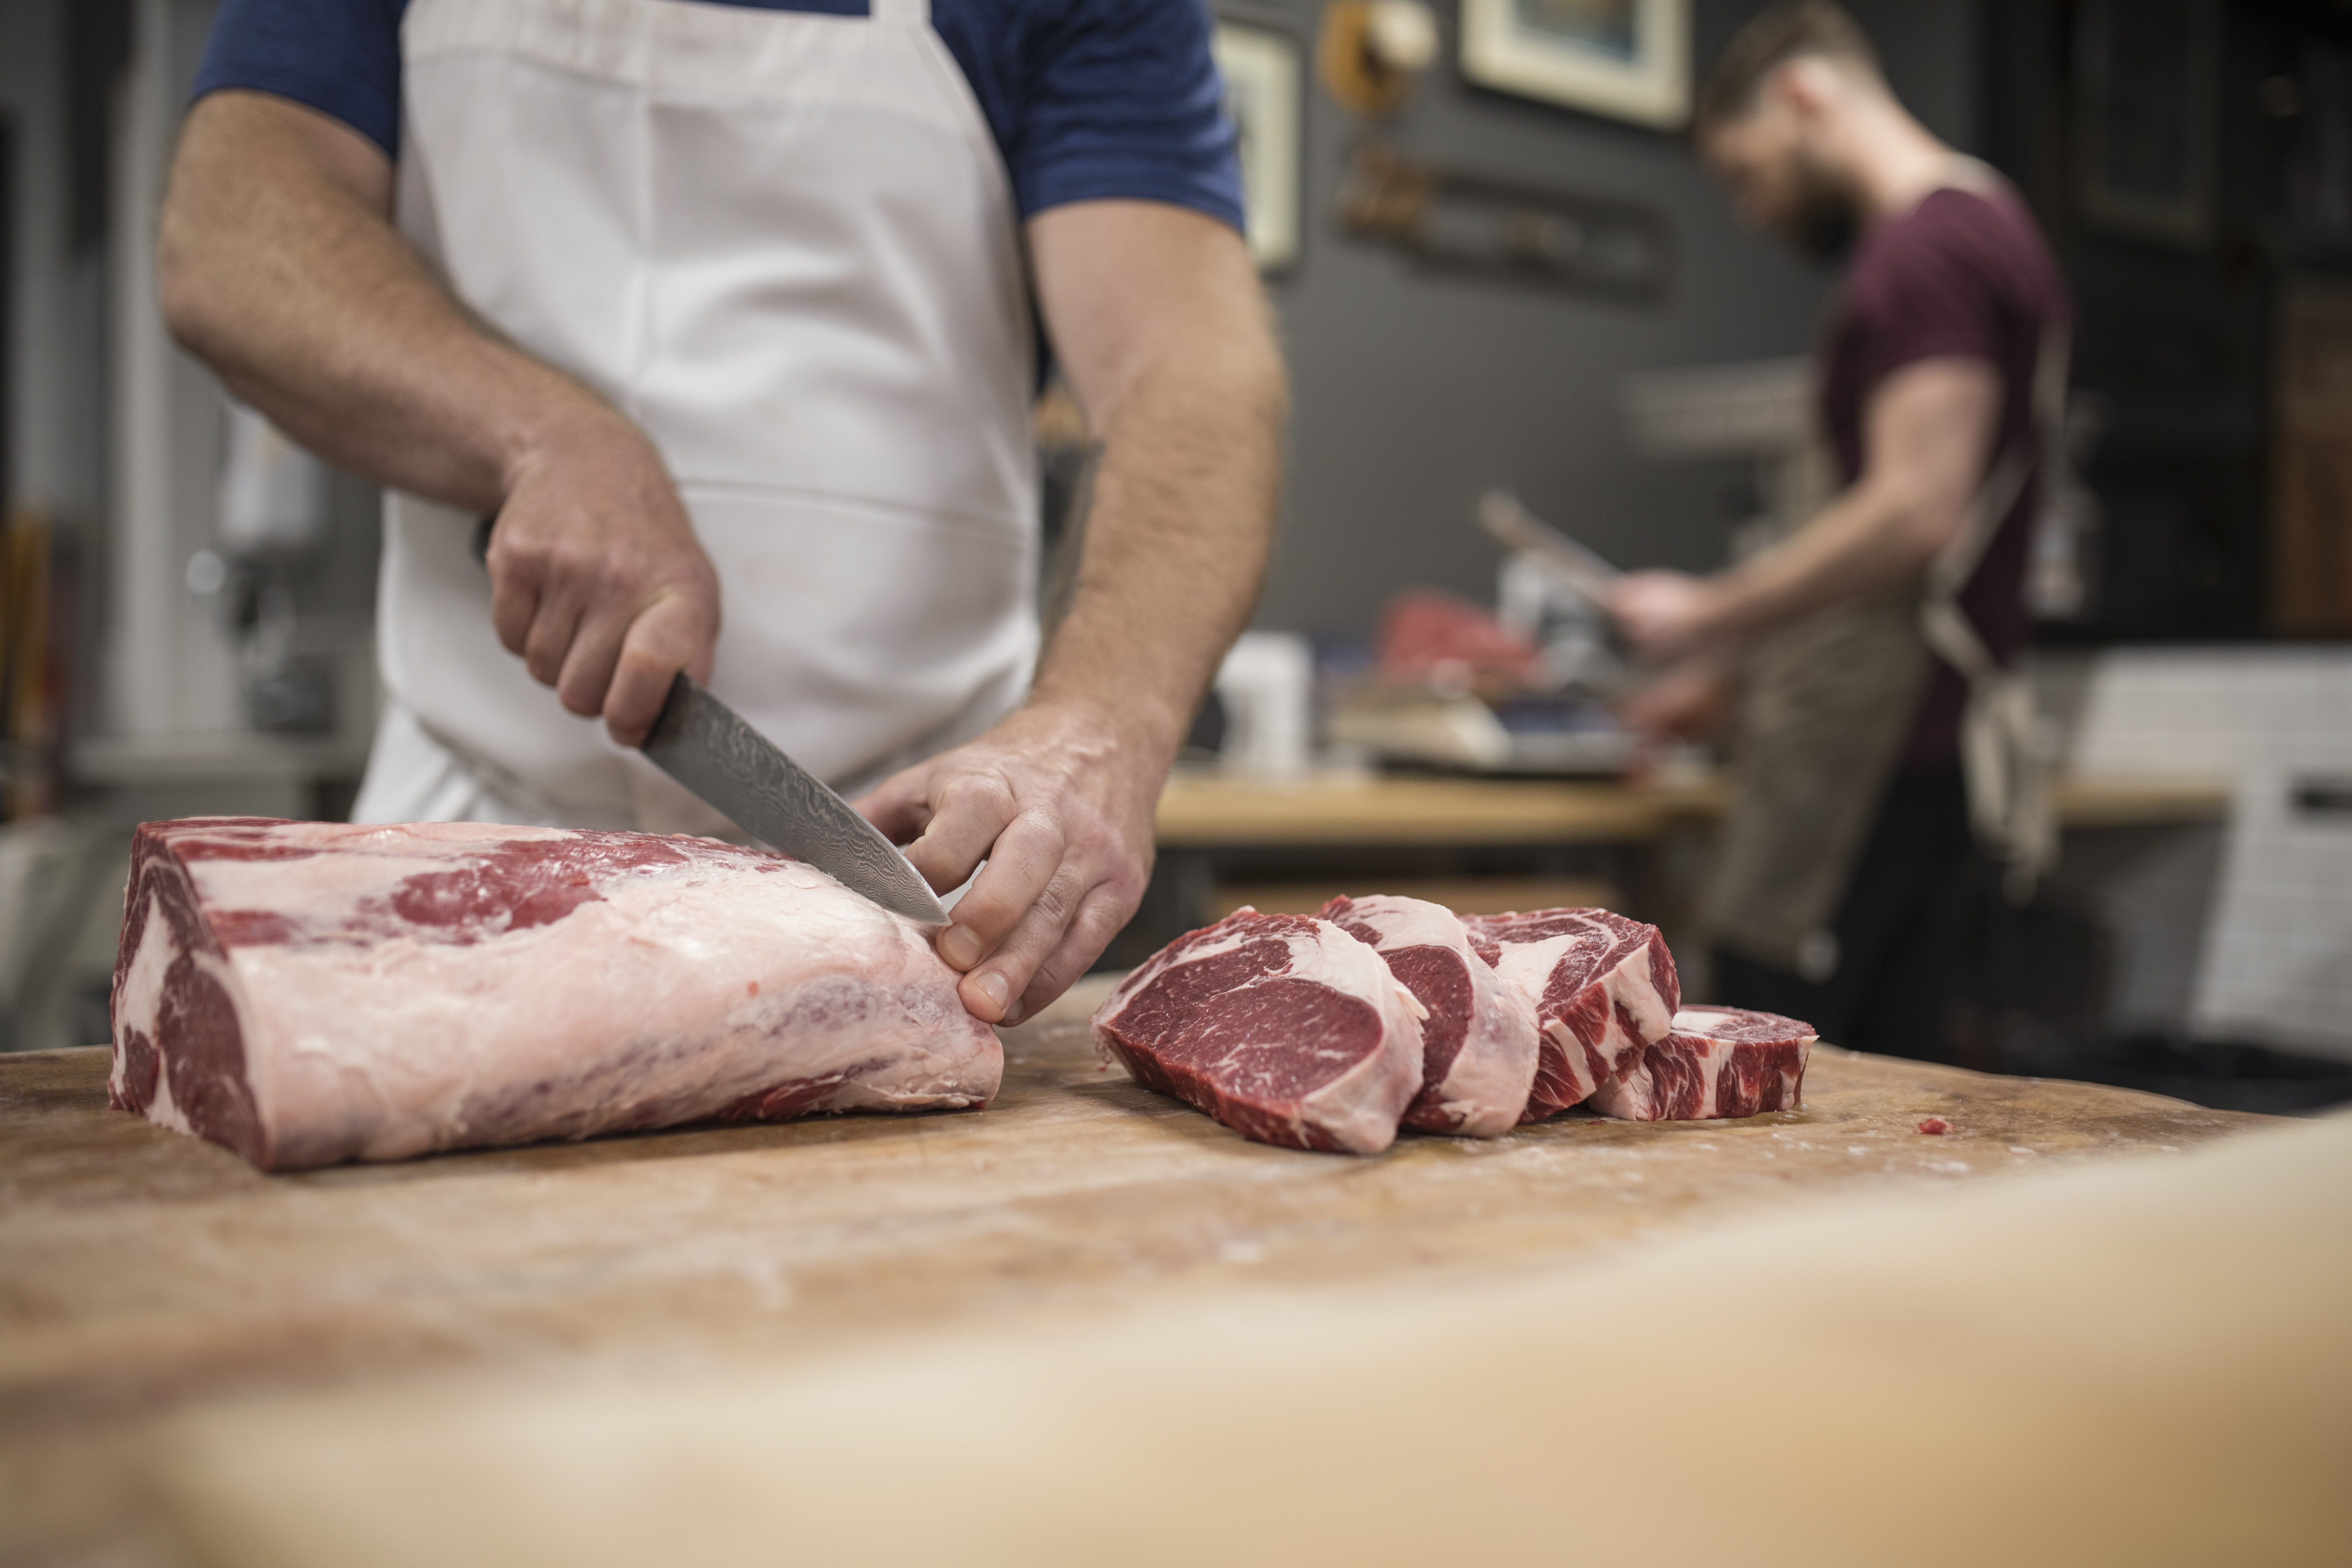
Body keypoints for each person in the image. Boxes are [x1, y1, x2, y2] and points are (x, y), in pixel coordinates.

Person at [157, 0, 1287, 1030]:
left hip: (903, 892)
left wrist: (1100, 728)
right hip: (468, 842)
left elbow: (1191, 378)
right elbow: (233, 235)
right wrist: (540, 434)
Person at [1608, 0, 2070, 1058]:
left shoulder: (1924, 255)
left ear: (1803, 98)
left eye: (1745, 170)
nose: (1751, 209)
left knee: (1779, 1099)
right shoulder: (1995, 222)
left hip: (1870, 762)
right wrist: (1737, 689)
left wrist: (1706, 613)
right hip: (1919, 749)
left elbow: (1917, 508)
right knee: (1889, 1103)